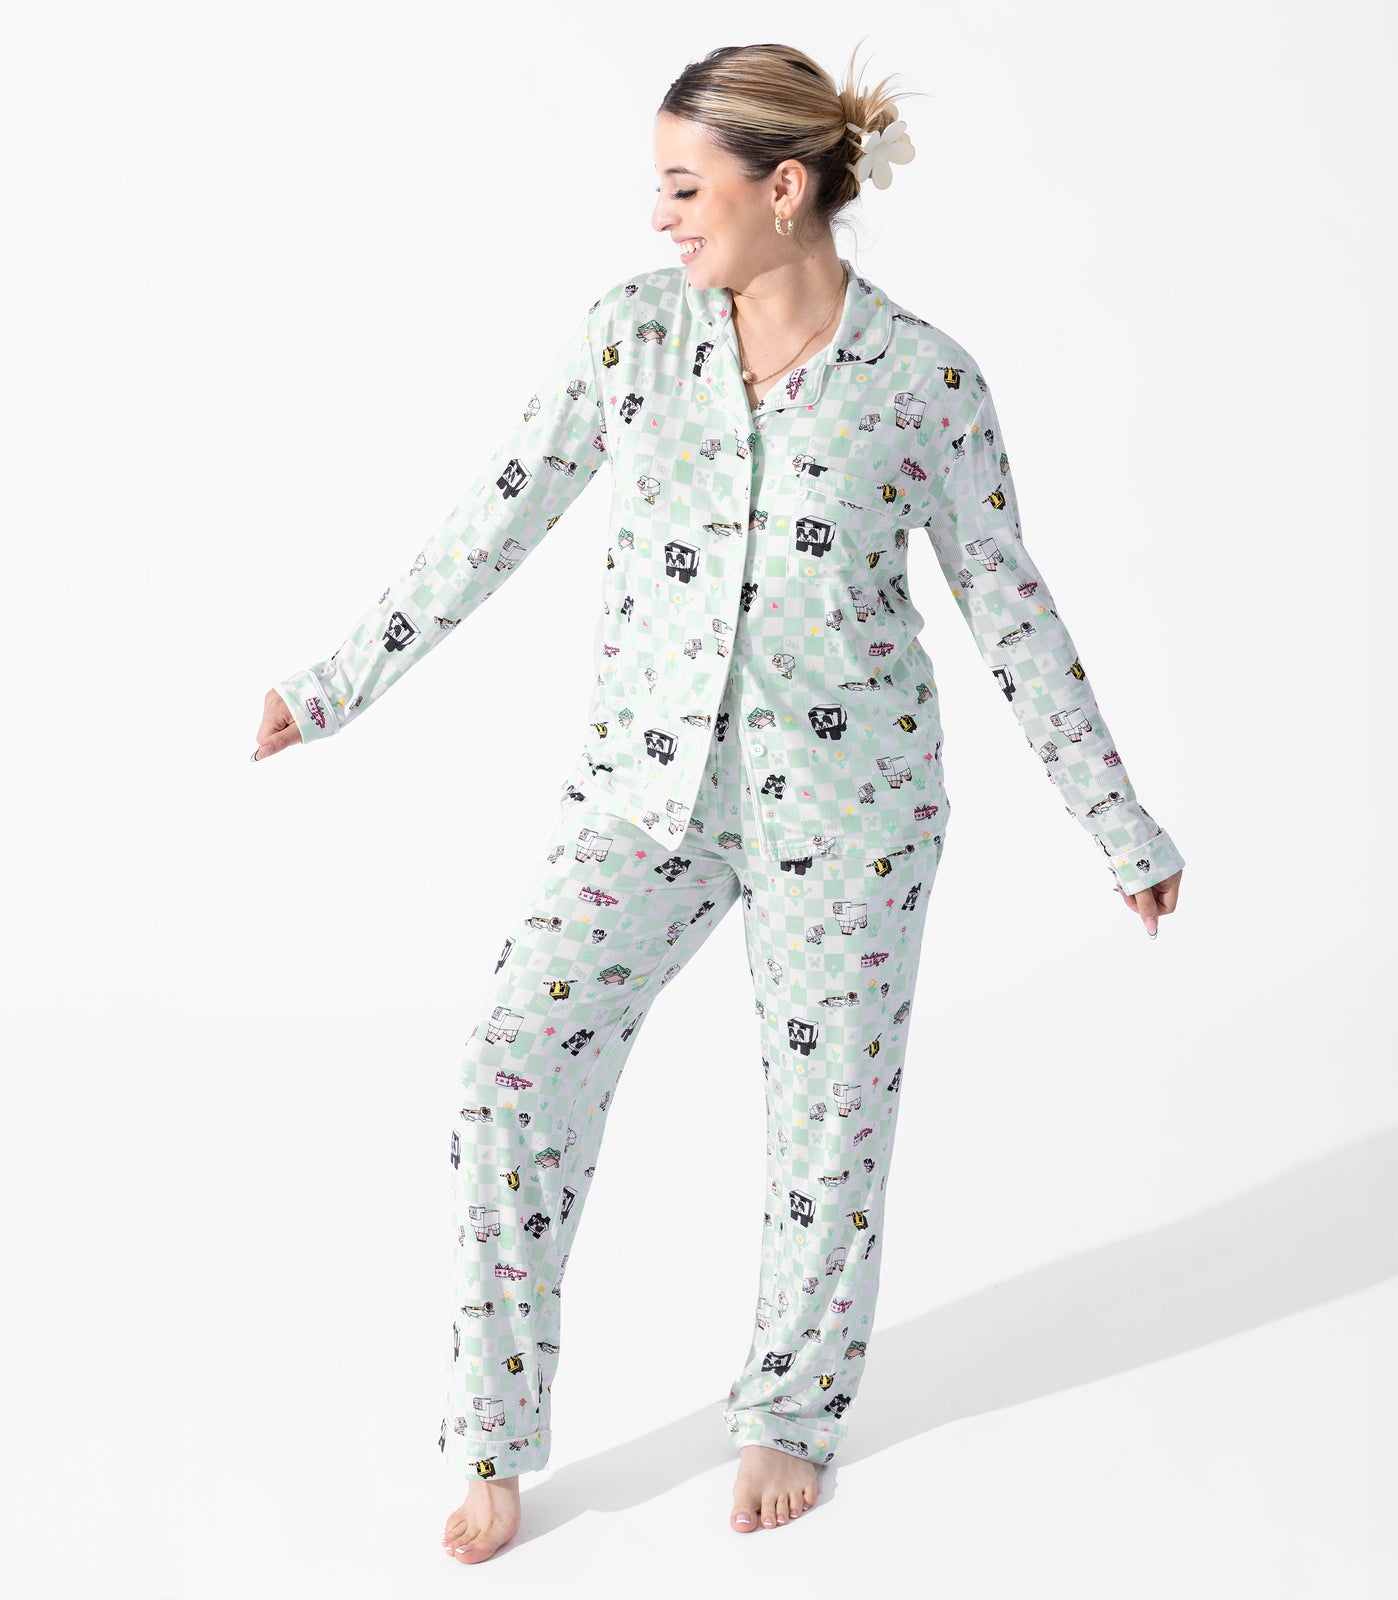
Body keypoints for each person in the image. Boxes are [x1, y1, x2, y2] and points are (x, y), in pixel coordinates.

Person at [254, 41, 1185, 1563]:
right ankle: (493, 1436)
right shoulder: (633, 339)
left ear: (785, 188)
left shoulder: (925, 382)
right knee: (512, 1063)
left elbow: (1011, 611)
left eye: (686, 188)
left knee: (827, 1123)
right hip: (646, 796)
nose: (661, 218)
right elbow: (493, 520)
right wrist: (335, 684)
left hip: (852, 815)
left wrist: (1115, 822)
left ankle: (790, 1412)